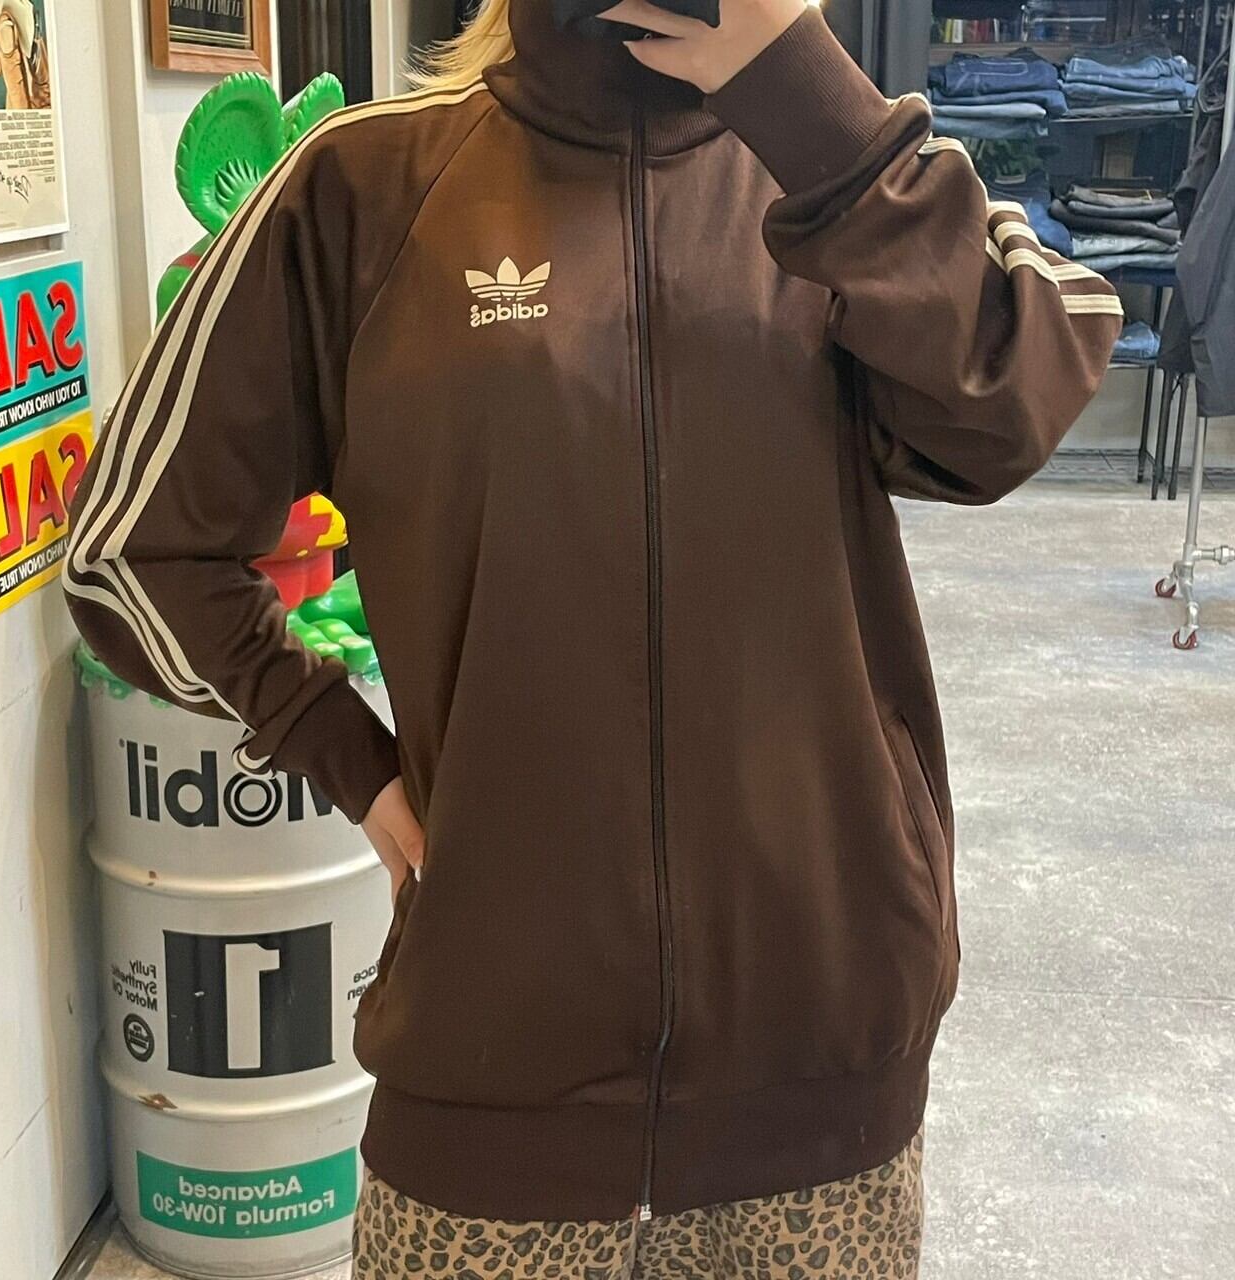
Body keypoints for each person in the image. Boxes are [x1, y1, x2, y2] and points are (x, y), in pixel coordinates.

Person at [63, 0, 1121, 1273]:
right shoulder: (362, 189)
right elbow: (130, 548)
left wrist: (805, 94)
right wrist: (346, 753)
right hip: (487, 1087)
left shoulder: (844, 174)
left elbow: (1013, 400)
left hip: (820, 1070)